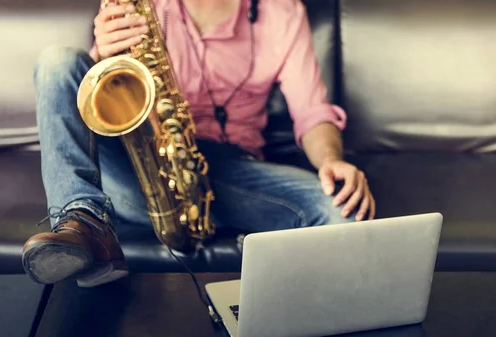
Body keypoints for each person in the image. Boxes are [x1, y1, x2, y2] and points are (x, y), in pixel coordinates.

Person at [22, 0, 376, 288]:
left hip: (227, 175)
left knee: (341, 206)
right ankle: (85, 221)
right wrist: (103, 58)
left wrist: (332, 159)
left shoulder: (282, 11)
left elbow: (313, 113)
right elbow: (100, 97)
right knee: (59, 63)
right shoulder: (139, 6)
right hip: (138, 170)